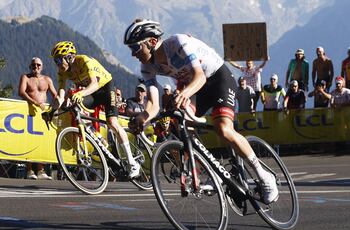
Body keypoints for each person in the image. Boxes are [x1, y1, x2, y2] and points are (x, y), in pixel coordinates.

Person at [123, 19, 278, 204]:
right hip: (192, 86)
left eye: (135, 48)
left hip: (216, 79)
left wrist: (184, 94)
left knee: (223, 129)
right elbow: (154, 104)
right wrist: (143, 117)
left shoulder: (178, 43)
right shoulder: (146, 67)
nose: (133, 54)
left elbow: (200, 76)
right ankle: (208, 170)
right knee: (178, 126)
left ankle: (264, 177)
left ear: (152, 42)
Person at [50, 41, 141, 178]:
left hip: (105, 88)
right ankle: (98, 137)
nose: (57, 63)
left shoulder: (84, 61)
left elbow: (94, 84)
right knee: (76, 110)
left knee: (112, 123)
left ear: (69, 57)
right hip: (91, 94)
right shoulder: (62, 73)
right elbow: (60, 96)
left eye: (58, 59)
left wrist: (80, 93)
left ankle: (132, 162)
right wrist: (51, 111)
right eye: (55, 60)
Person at [18, 57, 57, 180]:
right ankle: (29, 170)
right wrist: (34, 102)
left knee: (43, 140)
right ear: (30, 66)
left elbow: (55, 95)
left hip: (43, 113)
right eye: (34, 65)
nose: (36, 67)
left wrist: (58, 105)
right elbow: (21, 92)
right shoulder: (26, 77)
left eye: (38, 65)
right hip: (29, 112)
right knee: (29, 140)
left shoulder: (47, 80)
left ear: (42, 66)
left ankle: (41, 170)